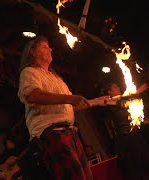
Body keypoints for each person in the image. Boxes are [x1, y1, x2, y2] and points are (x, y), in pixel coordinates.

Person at [18, 35, 104, 180]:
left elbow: (70, 106)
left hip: (70, 132)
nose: (50, 49)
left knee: (87, 177)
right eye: (45, 46)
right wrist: (70, 98)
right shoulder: (29, 72)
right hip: (51, 133)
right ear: (32, 51)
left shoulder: (57, 79)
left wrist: (97, 101)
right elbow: (33, 95)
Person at [100, 82, 149, 180]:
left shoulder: (124, 101)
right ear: (109, 92)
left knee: (146, 166)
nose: (118, 87)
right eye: (115, 87)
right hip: (125, 140)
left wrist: (146, 121)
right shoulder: (109, 102)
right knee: (133, 171)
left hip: (133, 136)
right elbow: (120, 100)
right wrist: (136, 92)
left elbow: (132, 115)